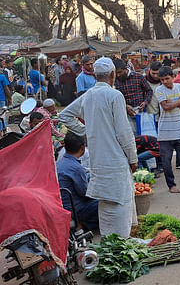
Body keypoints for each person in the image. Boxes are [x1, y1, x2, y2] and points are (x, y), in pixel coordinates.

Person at [58, 57, 138, 237]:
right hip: (115, 160)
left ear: (95, 75)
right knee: (120, 203)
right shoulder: (115, 95)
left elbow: (64, 116)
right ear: (112, 74)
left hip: (97, 162)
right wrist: (133, 158)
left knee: (106, 205)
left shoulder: (89, 95)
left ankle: (111, 242)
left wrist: (87, 132)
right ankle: (120, 243)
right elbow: (124, 133)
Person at [56, 131, 99, 231]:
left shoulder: (59, 163)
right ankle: (83, 226)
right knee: (104, 203)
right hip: (73, 208)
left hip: (61, 203)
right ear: (83, 147)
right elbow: (85, 193)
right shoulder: (76, 168)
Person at [114, 58, 153, 135]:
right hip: (125, 115)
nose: (118, 75)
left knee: (144, 136)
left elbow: (149, 91)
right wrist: (125, 106)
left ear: (125, 69)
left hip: (141, 112)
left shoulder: (138, 77)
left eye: (119, 72)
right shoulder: (115, 81)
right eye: (116, 73)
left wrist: (145, 102)